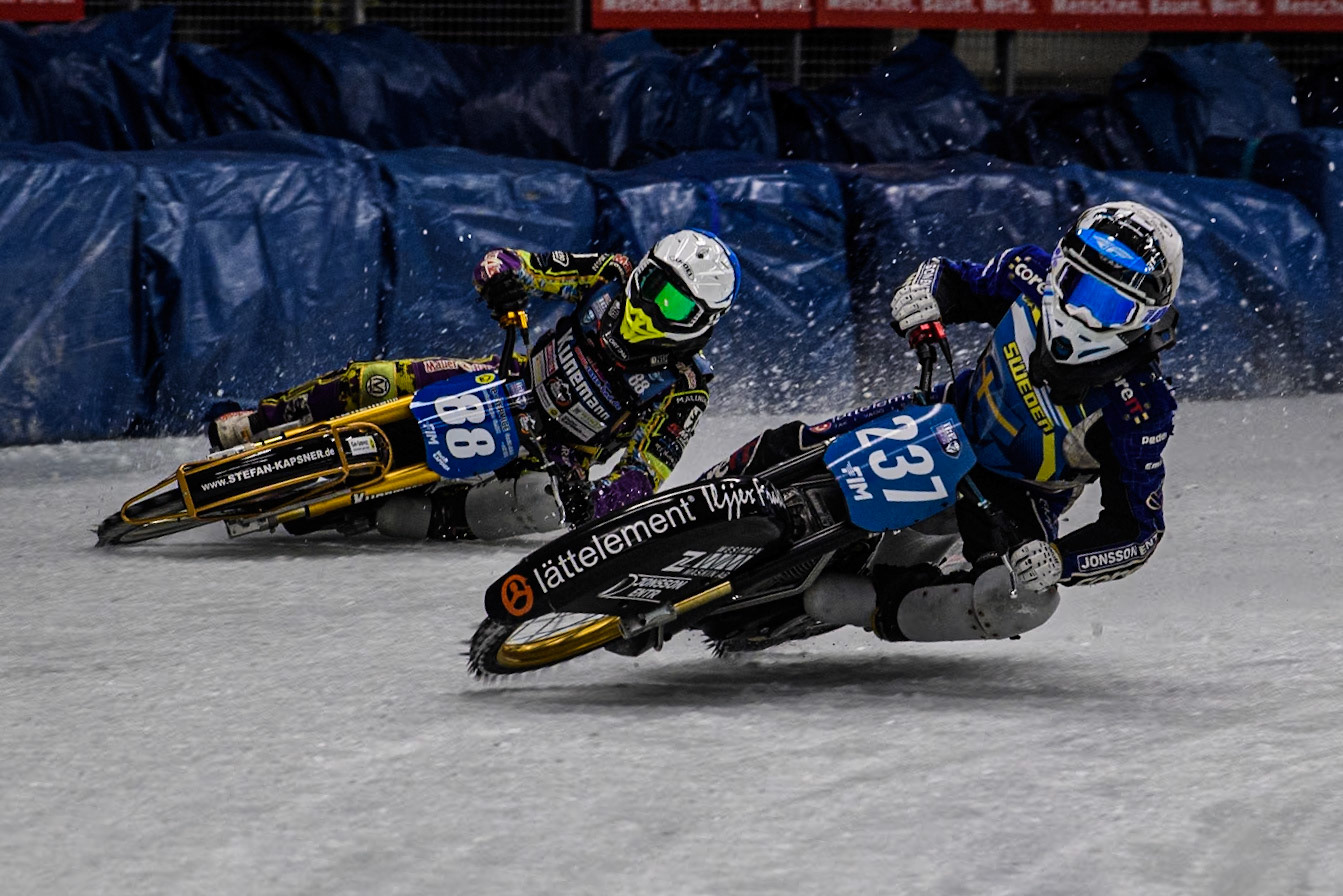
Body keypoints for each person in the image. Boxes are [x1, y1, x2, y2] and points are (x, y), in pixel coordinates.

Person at [712, 201, 1182, 644]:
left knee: (1017, 601)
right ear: (1058, 269)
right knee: (793, 442)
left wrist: (1060, 560)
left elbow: (1138, 529)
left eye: (1109, 307)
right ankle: (695, 495)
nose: (1081, 313)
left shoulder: (1141, 405)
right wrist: (923, 296)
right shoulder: (1028, 273)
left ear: (1145, 320)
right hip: (943, 415)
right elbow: (954, 277)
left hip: (1017, 495)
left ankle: (865, 604)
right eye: (1077, 287)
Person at [207, 228, 741, 540]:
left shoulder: (685, 386)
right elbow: (508, 261)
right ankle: (258, 421)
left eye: (669, 301)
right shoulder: (611, 273)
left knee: (540, 503)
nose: (646, 302)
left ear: (700, 319)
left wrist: (593, 500)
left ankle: (389, 514)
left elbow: (643, 478)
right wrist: (504, 283)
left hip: (553, 458)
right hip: (503, 378)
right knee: (368, 381)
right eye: (650, 283)